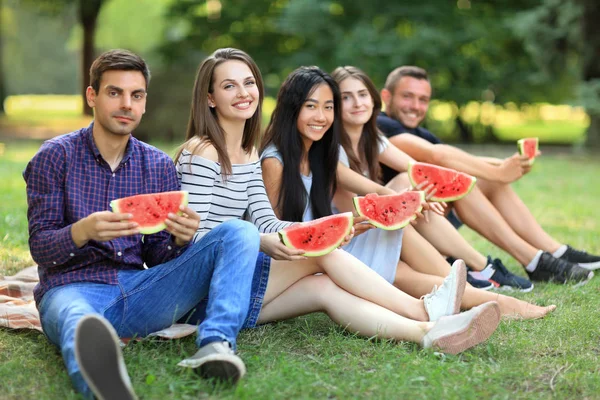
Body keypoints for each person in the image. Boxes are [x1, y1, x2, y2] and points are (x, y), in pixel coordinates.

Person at [175, 48, 501, 359]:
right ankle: (424, 309)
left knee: (323, 289)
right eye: (229, 86)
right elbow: (191, 241)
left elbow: (268, 224)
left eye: (248, 83)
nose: (243, 93)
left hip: (234, 290)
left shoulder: (247, 154)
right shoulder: (203, 153)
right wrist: (268, 242)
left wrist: (328, 229)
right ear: (209, 98)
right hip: (207, 293)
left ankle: (428, 331)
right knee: (325, 256)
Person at [23, 49, 263, 400]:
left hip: (140, 291)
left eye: (136, 95)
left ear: (144, 102)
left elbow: (158, 257)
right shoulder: (55, 156)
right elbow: (40, 246)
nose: (126, 104)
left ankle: (214, 345)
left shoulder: (158, 165)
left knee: (241, 231)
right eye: (114, 93)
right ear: (92, 96)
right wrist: (82, 231)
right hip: (72, 289)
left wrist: (180, 240)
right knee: (79, 320)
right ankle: (105, 385)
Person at [259, 63, 554, 320]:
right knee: (402, 242)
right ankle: (489, 288)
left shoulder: (323, 151)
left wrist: (407, 201)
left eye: (327, 107)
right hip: (316, 256)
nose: (322, 116)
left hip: (344, 243)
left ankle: (496, 300)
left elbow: (389, 183)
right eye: (312, 106)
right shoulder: (279, 159)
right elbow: (269, 229)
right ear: (292, 107)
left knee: (414, 264)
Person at [376, 65, 597, 284]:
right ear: (387, 96)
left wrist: (508, 165)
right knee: (460, 178)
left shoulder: (421, 133)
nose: (415, 106)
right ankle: (532, 259)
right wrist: (498, 171)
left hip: (431, 218)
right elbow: (437, 156)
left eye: (423, 99)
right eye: (407, 96)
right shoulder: (380, 124)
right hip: (398, 226)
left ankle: (554, 251)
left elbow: (460, 158)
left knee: (488, 182)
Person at [331, 65, 533, 292]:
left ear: (373, 98)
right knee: (405, 191)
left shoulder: (373, 140)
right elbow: (353, 215)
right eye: (346, 97)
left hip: (386, 226)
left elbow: (417, 169)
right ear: (333, 106)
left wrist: (423, 193)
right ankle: (479, 269)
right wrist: (407, 200)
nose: (358, 103)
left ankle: (480, 268)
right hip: (351, 240)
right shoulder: (333, 151)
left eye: (362, 95)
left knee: (412, 182)